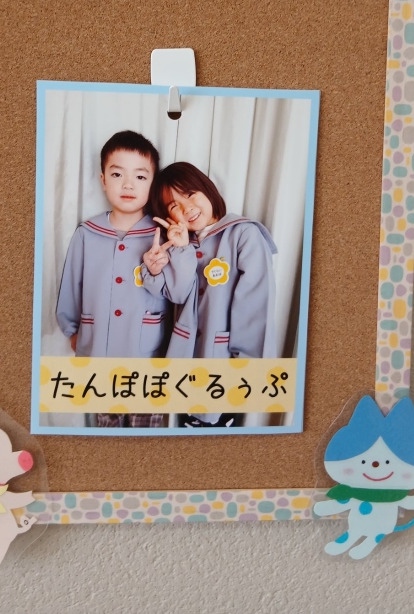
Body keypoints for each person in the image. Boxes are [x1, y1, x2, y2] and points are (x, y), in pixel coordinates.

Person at [141, 161, 277, 428]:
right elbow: (178, 295)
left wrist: (247, 367)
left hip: (226, 362)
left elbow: (255, 305)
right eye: (173, 206)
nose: (186, 208)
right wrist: (178, 252)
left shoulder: (243, 234)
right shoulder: (182, 245)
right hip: (185, 361)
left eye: (190, 194)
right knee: (187, 429)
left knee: (217, 431)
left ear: (208, 189)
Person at [55, 130, 170, 428]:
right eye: (117, 174)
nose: (128, 184)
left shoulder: (164, 236)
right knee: (108, 433)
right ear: (103, 179)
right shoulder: (87, 233)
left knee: (148, 436)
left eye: (140, 176)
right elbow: (71, 286)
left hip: (148, 359)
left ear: (153, 183)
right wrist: (72, 330)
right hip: (98, 355)